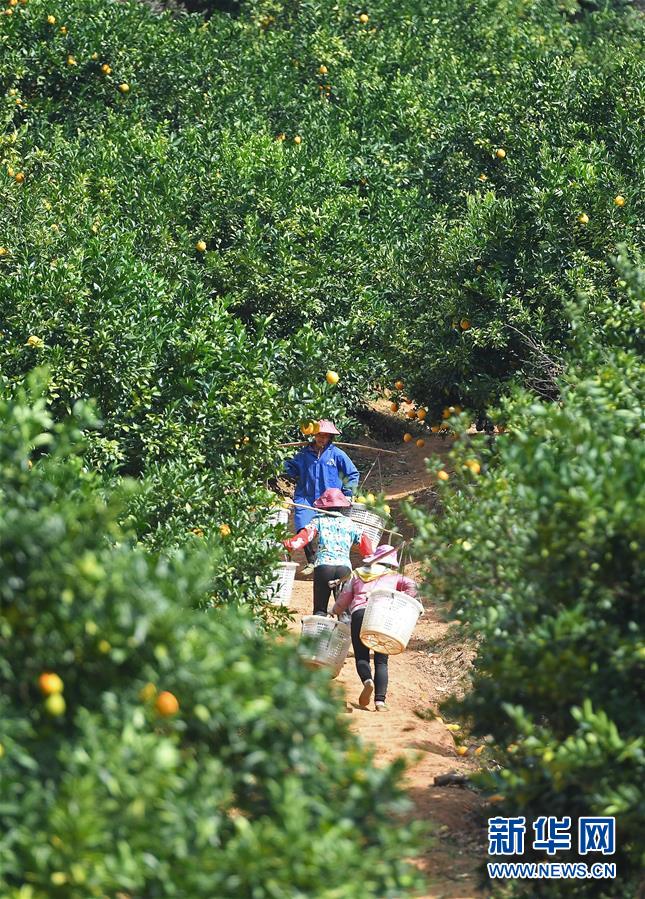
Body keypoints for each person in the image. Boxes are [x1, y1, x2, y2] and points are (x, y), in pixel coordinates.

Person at [331, 544, 418, 712]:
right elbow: (413, 586)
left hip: (359, 614)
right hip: (382, 616)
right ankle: (380, 702)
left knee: (361, 655)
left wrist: (334, 611)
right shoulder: (394, 576)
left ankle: (367, 680)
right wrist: (402, 599)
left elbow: (344, 598)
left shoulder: (357, 573)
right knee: (381, 660)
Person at [283, 420, 360, 575]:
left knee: (329, 528)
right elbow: (290, 468)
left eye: (325, 436)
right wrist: (278, 461)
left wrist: (347, 494)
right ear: (314, 435)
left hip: (330, 500)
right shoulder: (304, 454)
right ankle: (311, 560)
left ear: (330, 437)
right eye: (319, 435)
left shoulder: (337, 454)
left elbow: (352, 474)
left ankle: (331, 560)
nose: (321, 438)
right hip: (306, 497)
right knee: (303, 525)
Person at [283, 488, 373, 616]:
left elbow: (304, 537)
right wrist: (372, 559)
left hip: (323, 567)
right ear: (342, 507)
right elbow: (364, 542)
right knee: (344, 612)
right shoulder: (350, 523)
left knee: (320, 610)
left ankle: (319, 626)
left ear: (324, 506)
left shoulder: (318, 520)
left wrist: (289, 544)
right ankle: (345, 628)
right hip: (344, 570)